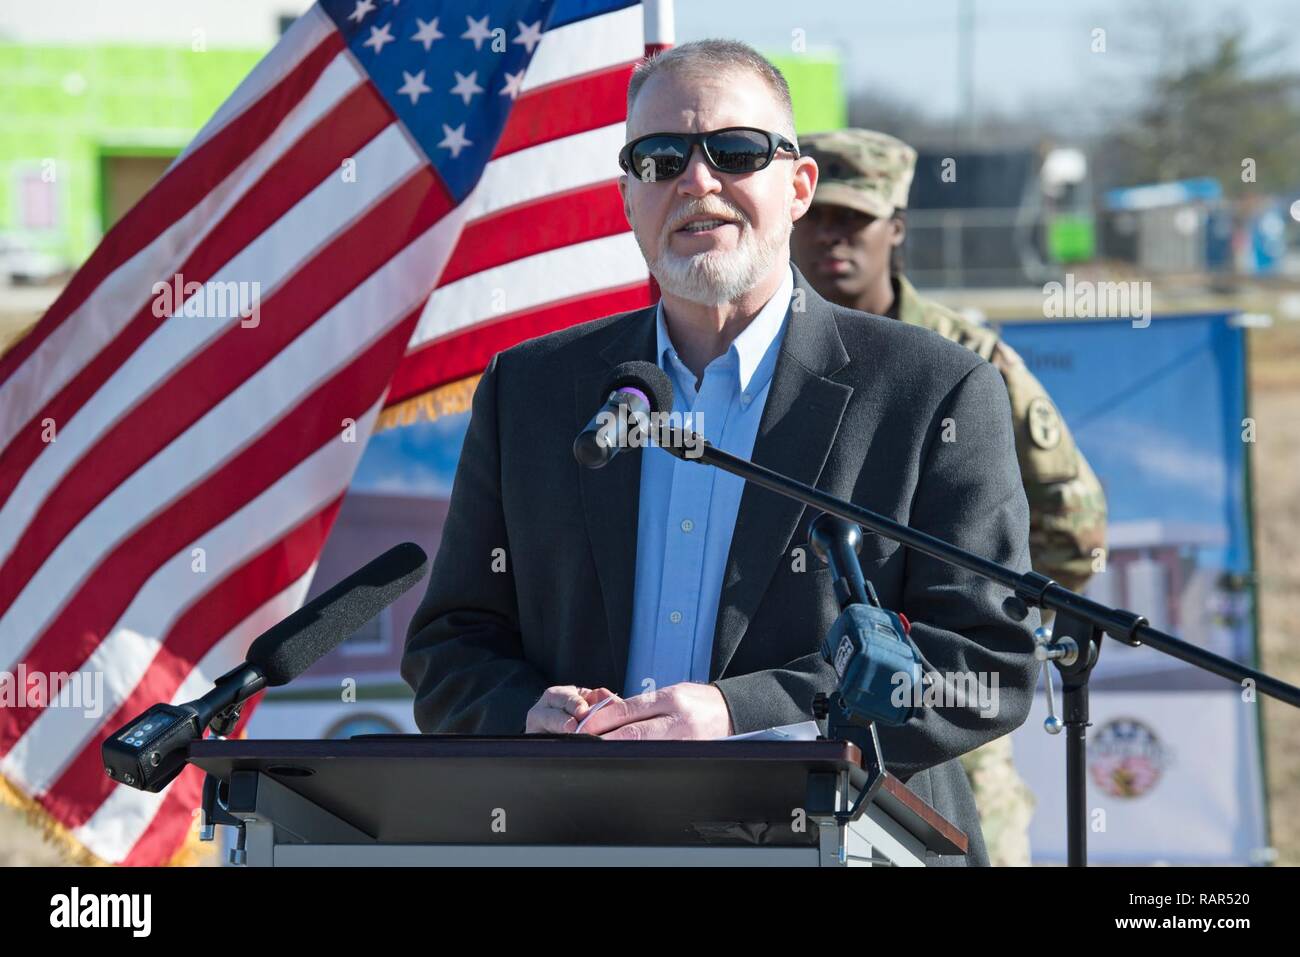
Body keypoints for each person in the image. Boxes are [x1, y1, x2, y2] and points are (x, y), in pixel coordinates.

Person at [402, 40, 1040, 865]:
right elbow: (451, 646)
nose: (696, 181)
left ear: (799, 185)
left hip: (838, 841)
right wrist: (527, 709)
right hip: (581, 841)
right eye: (659, 158)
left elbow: (983, 663)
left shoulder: (933, 390)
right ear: (628, 198)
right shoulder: (529, 390)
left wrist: (742, 713)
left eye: (735, 152)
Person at [792, 128, 1109, 865]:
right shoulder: (756, 359)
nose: (832, 239)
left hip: (938, 711)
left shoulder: (966, 364)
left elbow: (1074, 520)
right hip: (793, 705)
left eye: (856, 221)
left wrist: (984, 622)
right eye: (818, 218)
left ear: (896, 230)